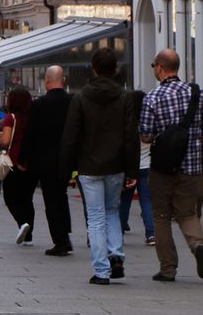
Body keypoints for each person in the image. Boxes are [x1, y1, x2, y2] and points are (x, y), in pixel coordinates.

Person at [60, 47, 140, 284]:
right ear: (115, 69)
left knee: (95, 217)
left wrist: (66, 170)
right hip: (116, 165)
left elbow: (71, 136)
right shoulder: (124, 97)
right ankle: (116, 254)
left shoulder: (81, 97)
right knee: (112, 210)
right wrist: (132, 169)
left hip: (89, 165)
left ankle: (101, 270)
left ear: (93, 68)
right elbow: (130, 136)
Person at [138, 47, 203, 281]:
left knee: (162, 215)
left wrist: (160, 135)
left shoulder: (153, 98)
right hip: (193, 165)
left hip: (163, 167)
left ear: (160, 68)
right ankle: (198, 246)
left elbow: (145, 134)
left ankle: (168, 269)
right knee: (187, 213)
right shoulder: (197, 94)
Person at [25, 65, 74, 256]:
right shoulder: (72, 102)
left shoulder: (39, 104)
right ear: (63, 80)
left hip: (45, 161)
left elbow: (31, 134)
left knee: (52, 202)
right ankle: (66, 236)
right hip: (67, 159)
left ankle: (60, 241)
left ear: (47, 80)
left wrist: (25, 158)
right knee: (63, 198)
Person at [0, 86, 36, 245]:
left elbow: (6, 141)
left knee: (10, 197)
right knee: (27, 199)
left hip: (13, 163)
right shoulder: (34, 117)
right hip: (31, 163)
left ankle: (22, 223)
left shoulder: (10, 118)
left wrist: (0, 137)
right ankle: (28, 236)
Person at [118, 104, 156, 247]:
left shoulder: (128, 126)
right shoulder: (148, 125)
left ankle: (119, 232)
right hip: (147, 166)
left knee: (125, 202)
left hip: (130, 169)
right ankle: (151, 234)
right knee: (146, 201)